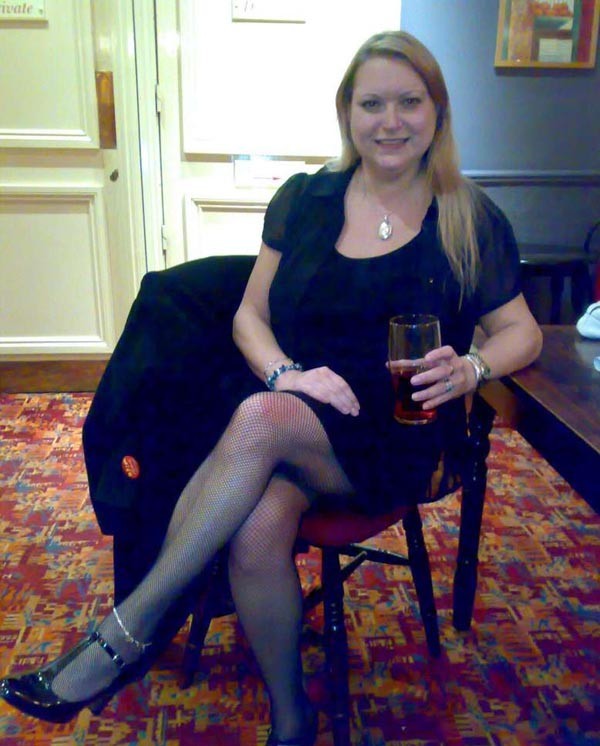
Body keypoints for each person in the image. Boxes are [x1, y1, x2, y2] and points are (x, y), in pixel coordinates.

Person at [0, 30, 542, 746]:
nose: (390, 121)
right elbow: (249, 317)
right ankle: (292, 719)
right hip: (301, 417)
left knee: (261, 417)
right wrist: (290, 374)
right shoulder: (305, 200)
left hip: (402, 435)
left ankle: (125, 636)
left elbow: (522, 331)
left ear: (436, 112)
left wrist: (473, 367)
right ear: (346, 113)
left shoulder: (469, 216)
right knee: (257, 529)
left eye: (409, 102)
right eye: (371, 103)